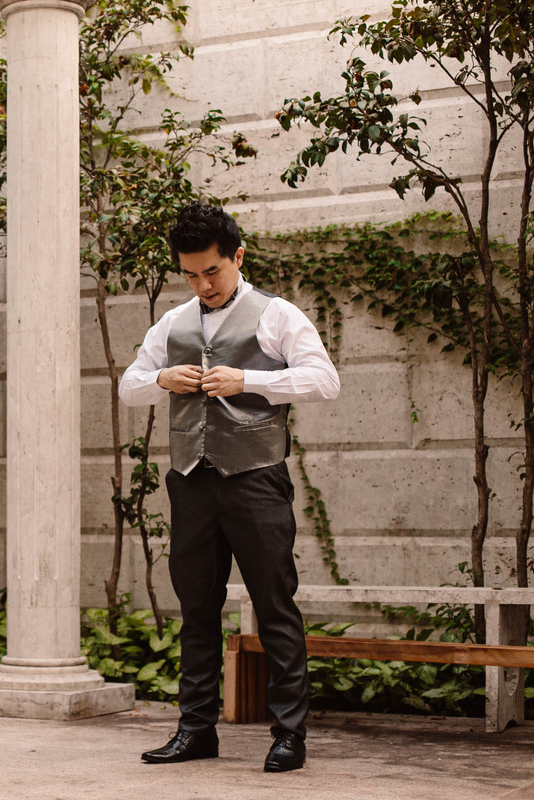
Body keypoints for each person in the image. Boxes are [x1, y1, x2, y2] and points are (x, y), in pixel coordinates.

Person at [119, 203, 339, 773]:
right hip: (191, 482)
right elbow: (129, 385)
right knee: (197, 610)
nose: (202, 285)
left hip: (256, 479)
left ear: (238, 257)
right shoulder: (173, 323)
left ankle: (289, 735)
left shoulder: (276, 314)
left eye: (212, 271)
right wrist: (162, 377)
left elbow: (324, 380)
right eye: (190, 274)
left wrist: (250, 380)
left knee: (274, 606)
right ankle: (195, 730)